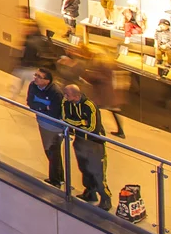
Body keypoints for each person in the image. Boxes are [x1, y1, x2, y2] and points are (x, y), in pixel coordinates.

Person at [60, 82, 110, 210]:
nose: (65, 97)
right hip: (80, 140)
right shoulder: (66, 103)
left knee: (97, 171)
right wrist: (82, 122)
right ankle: (90, 193)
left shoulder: (90, 106)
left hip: (94, 143)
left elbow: (93, 128)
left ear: (76, 95)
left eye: (67, 94)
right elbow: (65, 118)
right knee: (84, 169)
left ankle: (105, 197)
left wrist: (75, 124)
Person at [27, 67, 67, 190]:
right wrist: (44, 108)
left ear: (47, 81)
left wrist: (39, 108)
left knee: (53, 151)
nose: (36, 78)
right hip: (42, 123)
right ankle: (57, 178)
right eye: (36, 75)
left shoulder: (55, 92)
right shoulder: (33, 86)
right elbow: (30, 103)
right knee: (48, 150)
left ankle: (56, 180)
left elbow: (55, 111)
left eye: (39, 77)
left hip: (55, 127)